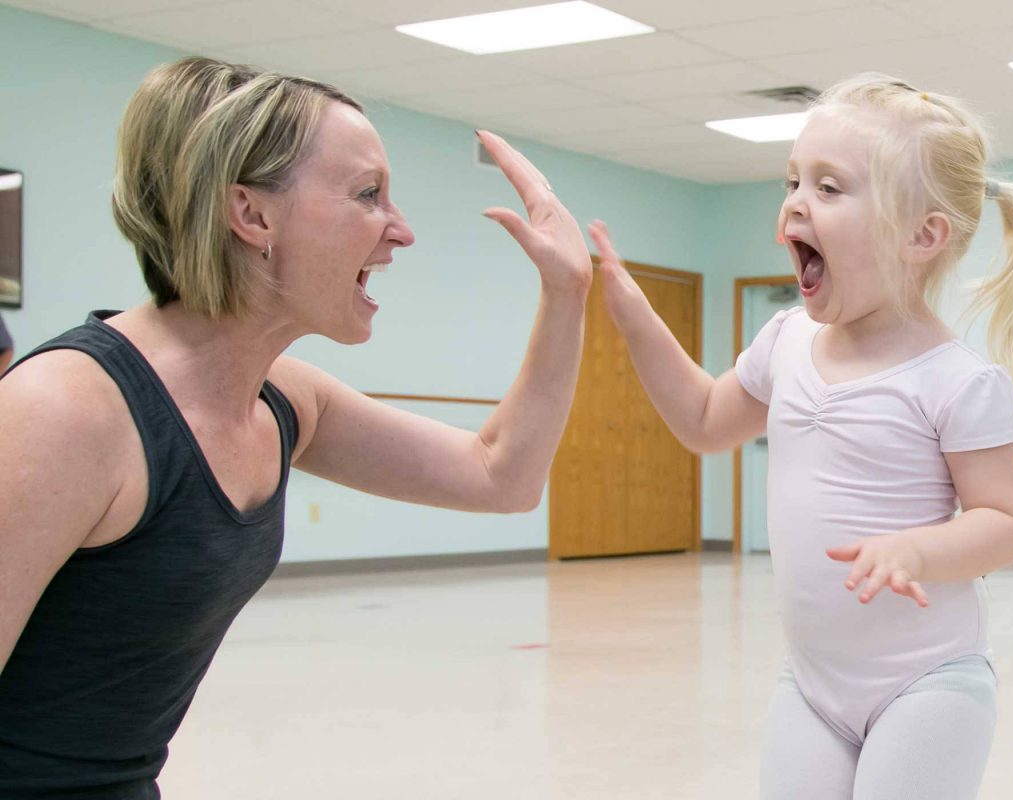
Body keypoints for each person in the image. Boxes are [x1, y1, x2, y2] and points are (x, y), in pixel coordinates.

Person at [0, 57, 592, 798]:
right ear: (251, 215)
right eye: (368, 195)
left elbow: (500, 476)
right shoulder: (68, 411)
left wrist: (567, 291)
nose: (400, 232)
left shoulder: (281, 400)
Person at [587, 73, 1013, 798]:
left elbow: (1006, 522)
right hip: (811, 687)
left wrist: (917, 549)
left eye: (829, 188)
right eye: (792, 182)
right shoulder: (786, 341)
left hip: (928, 683)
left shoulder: (957, 381)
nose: (793, 208)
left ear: (922, 235)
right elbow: (705, 423)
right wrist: (633, 316)